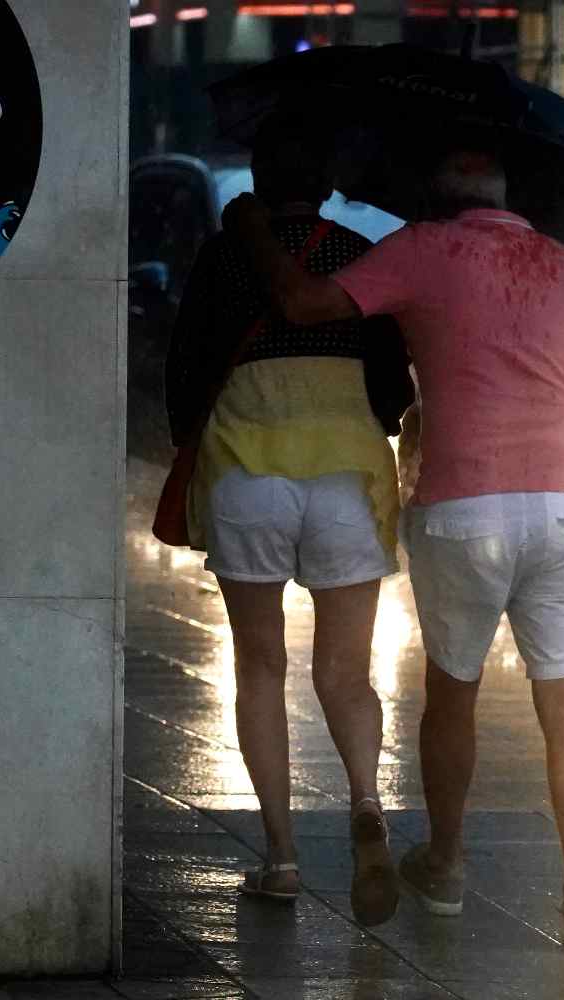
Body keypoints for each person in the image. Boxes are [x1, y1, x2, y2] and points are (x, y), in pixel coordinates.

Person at [223, 142, 564, 953]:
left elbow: (305, 305)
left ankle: (446, 866)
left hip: (466, 507)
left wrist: (253, 230)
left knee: (454, 692)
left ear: (435, 197)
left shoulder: (422, 248)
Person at [164, 116, 413, 926]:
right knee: (345, 674)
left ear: (258, 185)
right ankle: (368, 801)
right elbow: (391, 389)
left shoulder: (225, 256)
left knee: (261, 668)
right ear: (328, 184)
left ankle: (280, 857)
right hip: (346, 474)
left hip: (247, 469)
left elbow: (185, 367)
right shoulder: (356, 257)